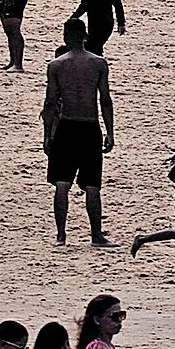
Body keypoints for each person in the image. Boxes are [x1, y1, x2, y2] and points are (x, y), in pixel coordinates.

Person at [43, 18, 115, 247]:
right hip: (90, 124)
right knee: (93, 185)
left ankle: (61, 235)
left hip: (66, 126)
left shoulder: (56, 65)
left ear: (65, 36)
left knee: (62, 183)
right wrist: (110, 131)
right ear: (84, 36)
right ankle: (96, 235)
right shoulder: (99, 63)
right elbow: (105, 100)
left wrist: (47, 135)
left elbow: (50, 103)